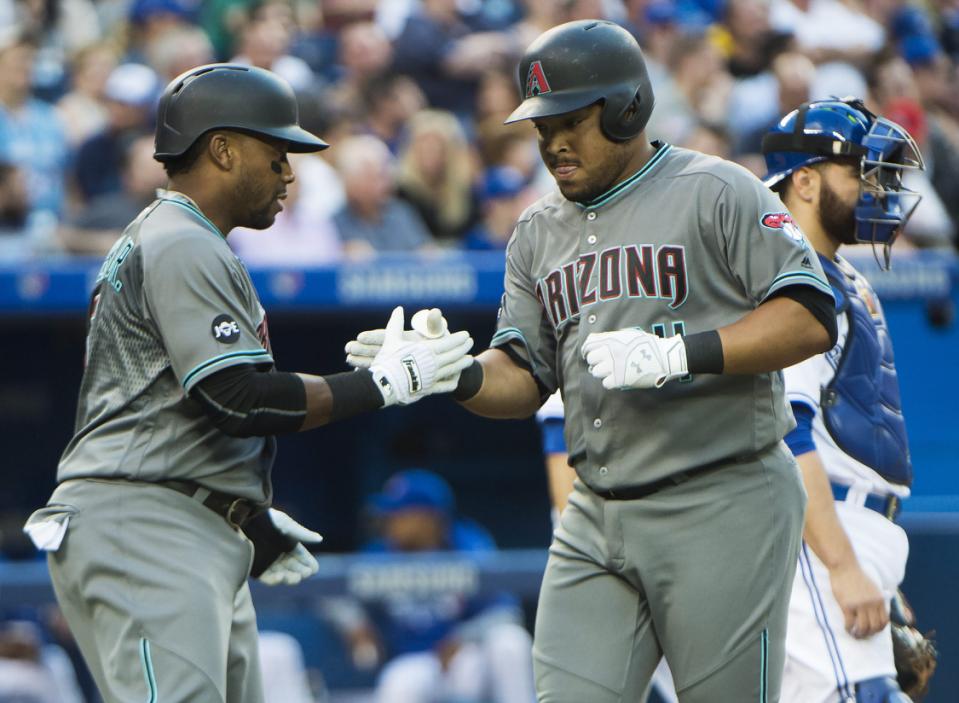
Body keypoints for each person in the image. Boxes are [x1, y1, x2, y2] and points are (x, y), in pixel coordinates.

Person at [345, 20, 839, 701]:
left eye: (570, 121)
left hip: (723, 496)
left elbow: (809, 316)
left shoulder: (717, 189)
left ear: (627, 107)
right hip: (596, 511)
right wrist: (451, 372)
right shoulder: (535, 231)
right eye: (541, 126)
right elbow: (522, 375)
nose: (551, 143)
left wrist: (678, 352)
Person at [23, 64, 473, 703]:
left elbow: (172, 402)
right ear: (223, 149)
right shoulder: (181, 240)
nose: (290, 173)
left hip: (175, 518)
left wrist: (239, 512)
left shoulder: (174, 236)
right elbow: (238, 397)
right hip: (145, 524)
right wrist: (383, 383)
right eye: (277, 153)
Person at [760, 97, 930, 702]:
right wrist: (841, 565)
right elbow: (787, 434)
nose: (873, 188)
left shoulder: (839, 275)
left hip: (849, 527)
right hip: (821, 535)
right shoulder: (789, 276)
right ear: (803, 181)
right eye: (857, 171)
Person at [325, 469, 536, 703]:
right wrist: (355, 624)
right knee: (399, 685)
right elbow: (332, 593)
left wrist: (463, 638)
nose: (389, 521)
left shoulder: (468, 545)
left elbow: (506, 613)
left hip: (465, 658)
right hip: (415, 661)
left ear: (429, 518)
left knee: (510, 641)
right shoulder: (380, 551)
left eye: (399, 514)